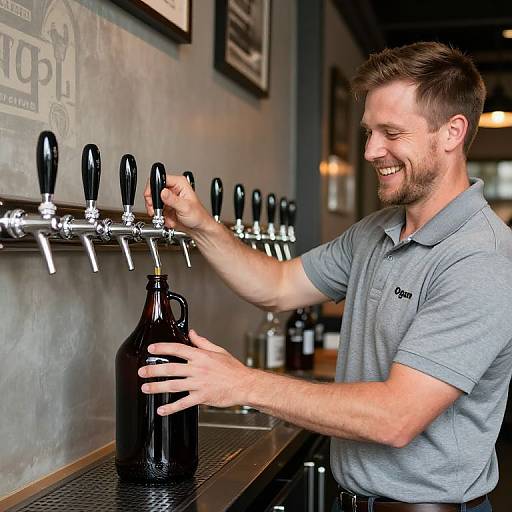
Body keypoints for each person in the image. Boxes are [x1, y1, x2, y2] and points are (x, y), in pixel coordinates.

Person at [140, 42, 512, 511]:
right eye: (369, 131)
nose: (372, 151)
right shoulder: (377, 231)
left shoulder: (480, 258)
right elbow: (277, 287)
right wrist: (201, 225)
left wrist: (243, 383)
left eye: (391, 132)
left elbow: (395, 417)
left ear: (452, 132)